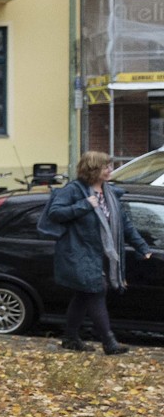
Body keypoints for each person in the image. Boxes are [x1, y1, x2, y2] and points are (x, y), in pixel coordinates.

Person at [46, 150, 153, 356]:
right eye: (106, 167)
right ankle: (109, 342)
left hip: (102, 253)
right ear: (93, 169)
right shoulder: (74, 190)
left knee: (83, 295)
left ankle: (70, 337)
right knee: (96, 291)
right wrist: (84, 205)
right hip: (78, 252)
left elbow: (125, 224)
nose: (110, 170)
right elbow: (55, 213)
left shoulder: (110, 193)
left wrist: (142, 247)